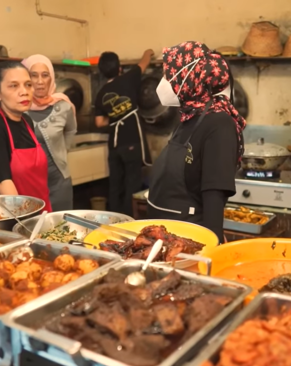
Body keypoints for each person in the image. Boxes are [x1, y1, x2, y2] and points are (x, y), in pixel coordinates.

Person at [146, 42, 246, 241]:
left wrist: (210, 251)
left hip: (190, 242)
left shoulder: (219, 125)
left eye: (168, 75)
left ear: (190, 78)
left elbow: (214, 200)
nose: (164, 82)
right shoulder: (189, 117)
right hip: (162, 239)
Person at [0, 61, 52, 211]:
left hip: (40, 212)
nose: (24, 91)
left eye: (28, 85)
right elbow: (4, 183)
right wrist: (25, 222)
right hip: (13, 218)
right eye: (13, 86)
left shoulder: (26, 121)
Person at [94, 49, 154, 216]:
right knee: (132, 183)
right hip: (131, 139)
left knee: (115, 183)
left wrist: (114, 116)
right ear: (119, 68)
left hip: (114, 142)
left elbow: (99, 122)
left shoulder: (100, 94)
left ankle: (114, 218)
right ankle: (129, 218)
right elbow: (144, 62)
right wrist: (148, 52)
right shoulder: (128, 78)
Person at [21, 54, 77, 211]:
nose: (39, 81)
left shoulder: (63, 106)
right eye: (34, 75)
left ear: (51, 78)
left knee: (61, 228)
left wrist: (62, 152)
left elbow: (71, 130)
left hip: (59, 182)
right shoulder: (18, 107)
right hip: (29, 183)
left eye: (45, 75)